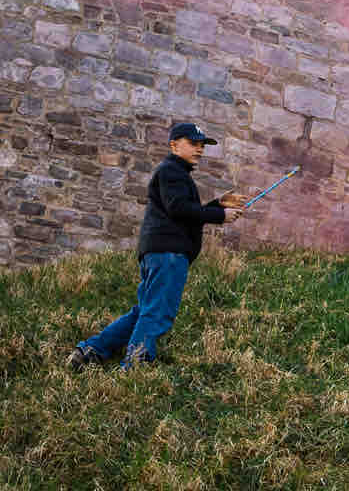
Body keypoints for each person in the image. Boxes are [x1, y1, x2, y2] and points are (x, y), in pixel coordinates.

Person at [70, 121, 248, 370]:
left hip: (160, 253)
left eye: (202, 145)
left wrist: (218, 204)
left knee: (144, 311)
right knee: (157, 313)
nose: (199, 149)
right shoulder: (172, 172)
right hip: (168, 255)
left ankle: (90, 352)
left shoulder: (175, 173)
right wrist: (220, 215)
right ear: (174, 145)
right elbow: (179, 209)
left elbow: (182, 211)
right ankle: (136, 367)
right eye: (193, 143)